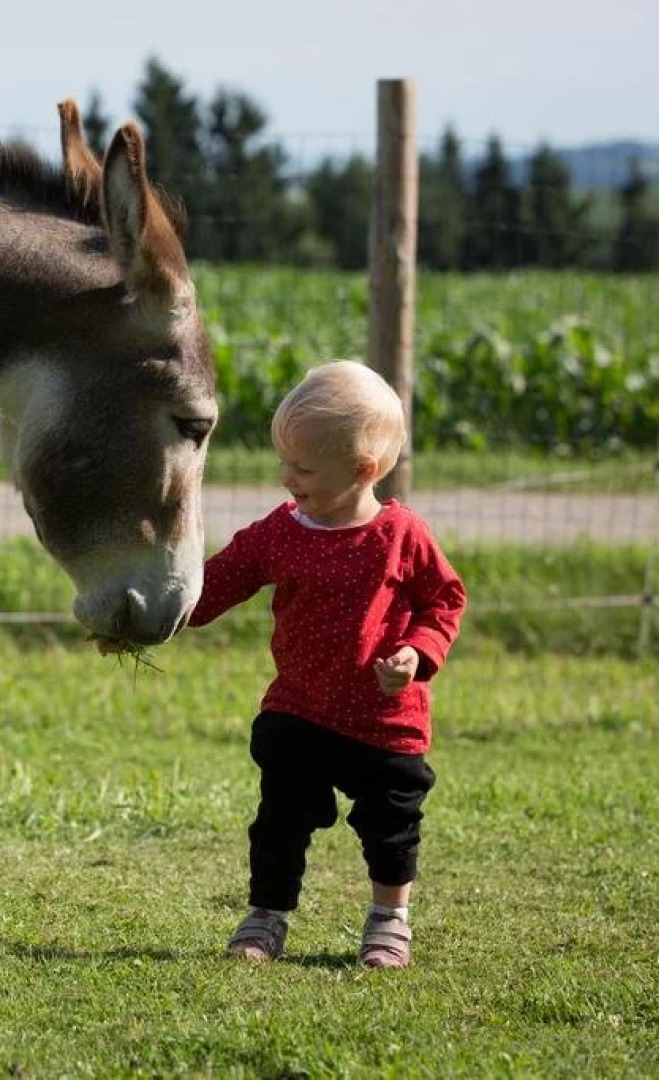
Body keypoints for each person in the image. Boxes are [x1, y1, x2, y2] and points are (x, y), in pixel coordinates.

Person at [192, 360, 465, 968]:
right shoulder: (280, 531)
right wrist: (159, 615)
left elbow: (445, 600)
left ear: (363, 470)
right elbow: (222, 579)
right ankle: (266, 918)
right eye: (283, 463)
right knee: (279, 820)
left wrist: (418, 654)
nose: (288, 477)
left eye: (304, 468)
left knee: (392, 826)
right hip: (301, 710)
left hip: (384, 719)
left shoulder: (401, 536)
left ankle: (389, 921)